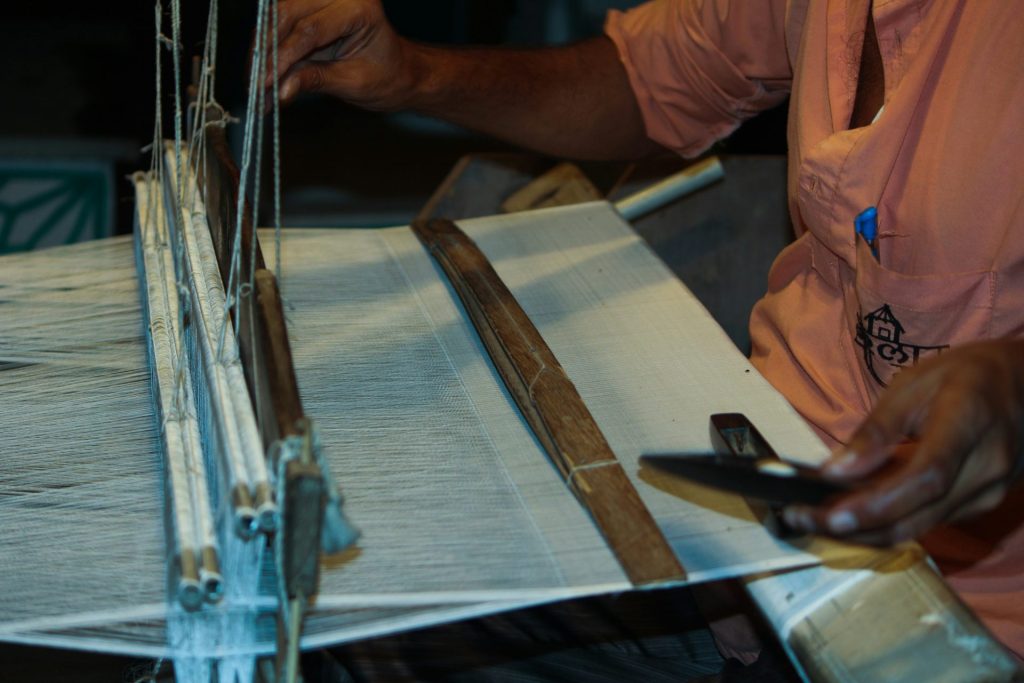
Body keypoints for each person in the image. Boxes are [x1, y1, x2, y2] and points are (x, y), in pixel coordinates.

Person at [268, 0, 1024, 663]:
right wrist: (410, 73)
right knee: (358, 611)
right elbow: (654, 75)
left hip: (960, 609)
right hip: (758, 476)